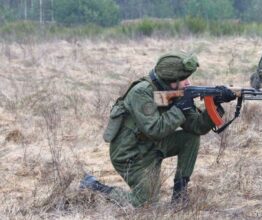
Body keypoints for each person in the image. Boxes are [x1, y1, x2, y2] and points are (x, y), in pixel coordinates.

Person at [80, 52, 235, 207]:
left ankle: (179, 197)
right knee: (145, 204)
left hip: (152, 146)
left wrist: (214, 104)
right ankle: (94, 186)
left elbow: (196, 127)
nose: (188, 83)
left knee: (190, 137)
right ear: (171, 81)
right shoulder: (141, 92)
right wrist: (179, 109)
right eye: (183, 79)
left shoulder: (175, 93)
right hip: (130, 155)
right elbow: (154, 129)